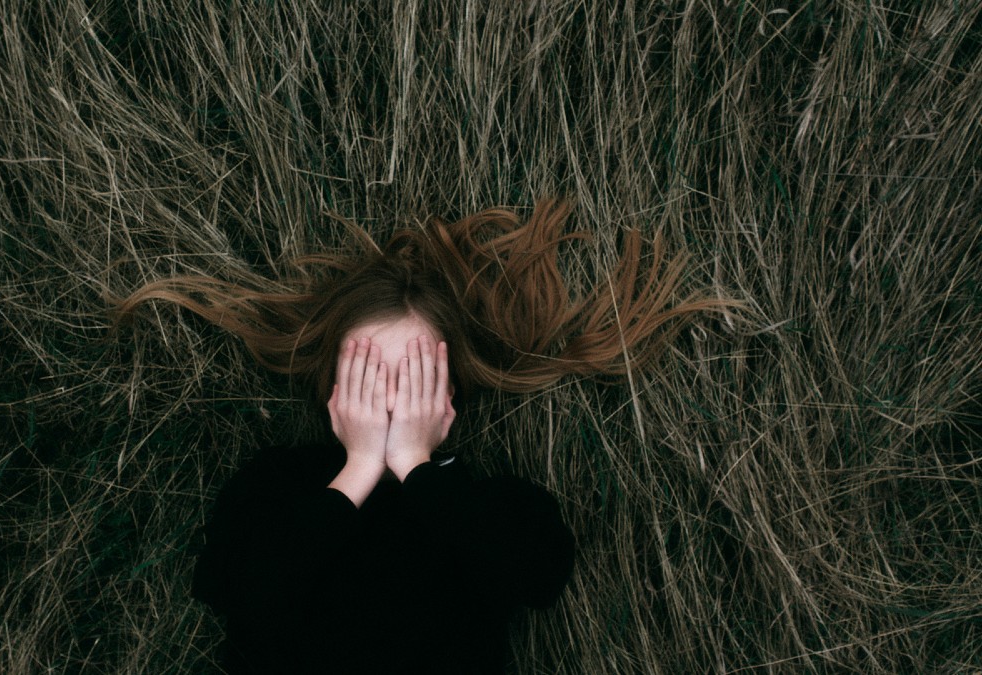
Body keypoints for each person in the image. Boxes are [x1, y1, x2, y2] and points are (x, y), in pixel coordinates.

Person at [114, 200, 732, 673]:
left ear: (448, 395)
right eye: (368, 378)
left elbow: (538, 576)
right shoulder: (277, 483)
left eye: (413, 380)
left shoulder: (489, 503)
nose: (389, 402)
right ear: (333, 387)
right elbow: (239, 591)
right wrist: (358, 469)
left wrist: (415, 465)